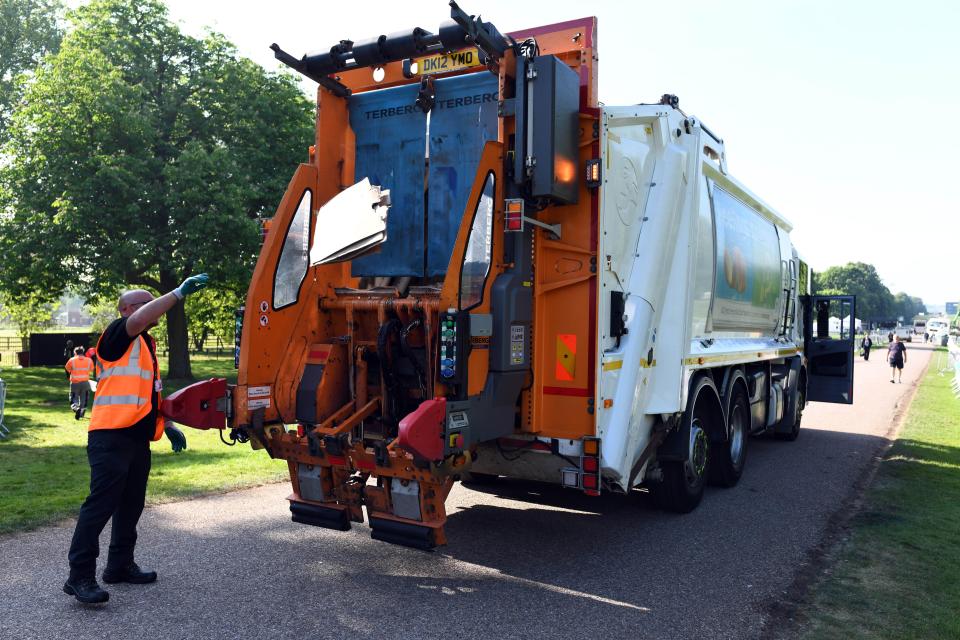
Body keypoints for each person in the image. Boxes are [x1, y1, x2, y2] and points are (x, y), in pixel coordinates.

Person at [63, 274, 209, 605]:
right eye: (147, 303)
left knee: (131, 505)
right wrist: (177, 292)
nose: (155, 310)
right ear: (128, 309)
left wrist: (167, 423)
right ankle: (79, 576)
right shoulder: (117, 334)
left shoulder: (146, 345)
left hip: (136, 440)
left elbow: (147, 394)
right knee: (100, 507)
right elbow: (141, 319)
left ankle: (119, 565)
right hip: (110, 437)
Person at [65, 346, 94, 419]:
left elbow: (67, 369)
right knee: (84, 399)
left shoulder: (72, 360)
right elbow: (91, 369)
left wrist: (68, 377)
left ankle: (76, 408)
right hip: (85, 383)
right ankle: (81, 413)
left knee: (73, 398)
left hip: (75, 383)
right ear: (83, 352)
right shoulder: (89, 360)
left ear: (75, 352)